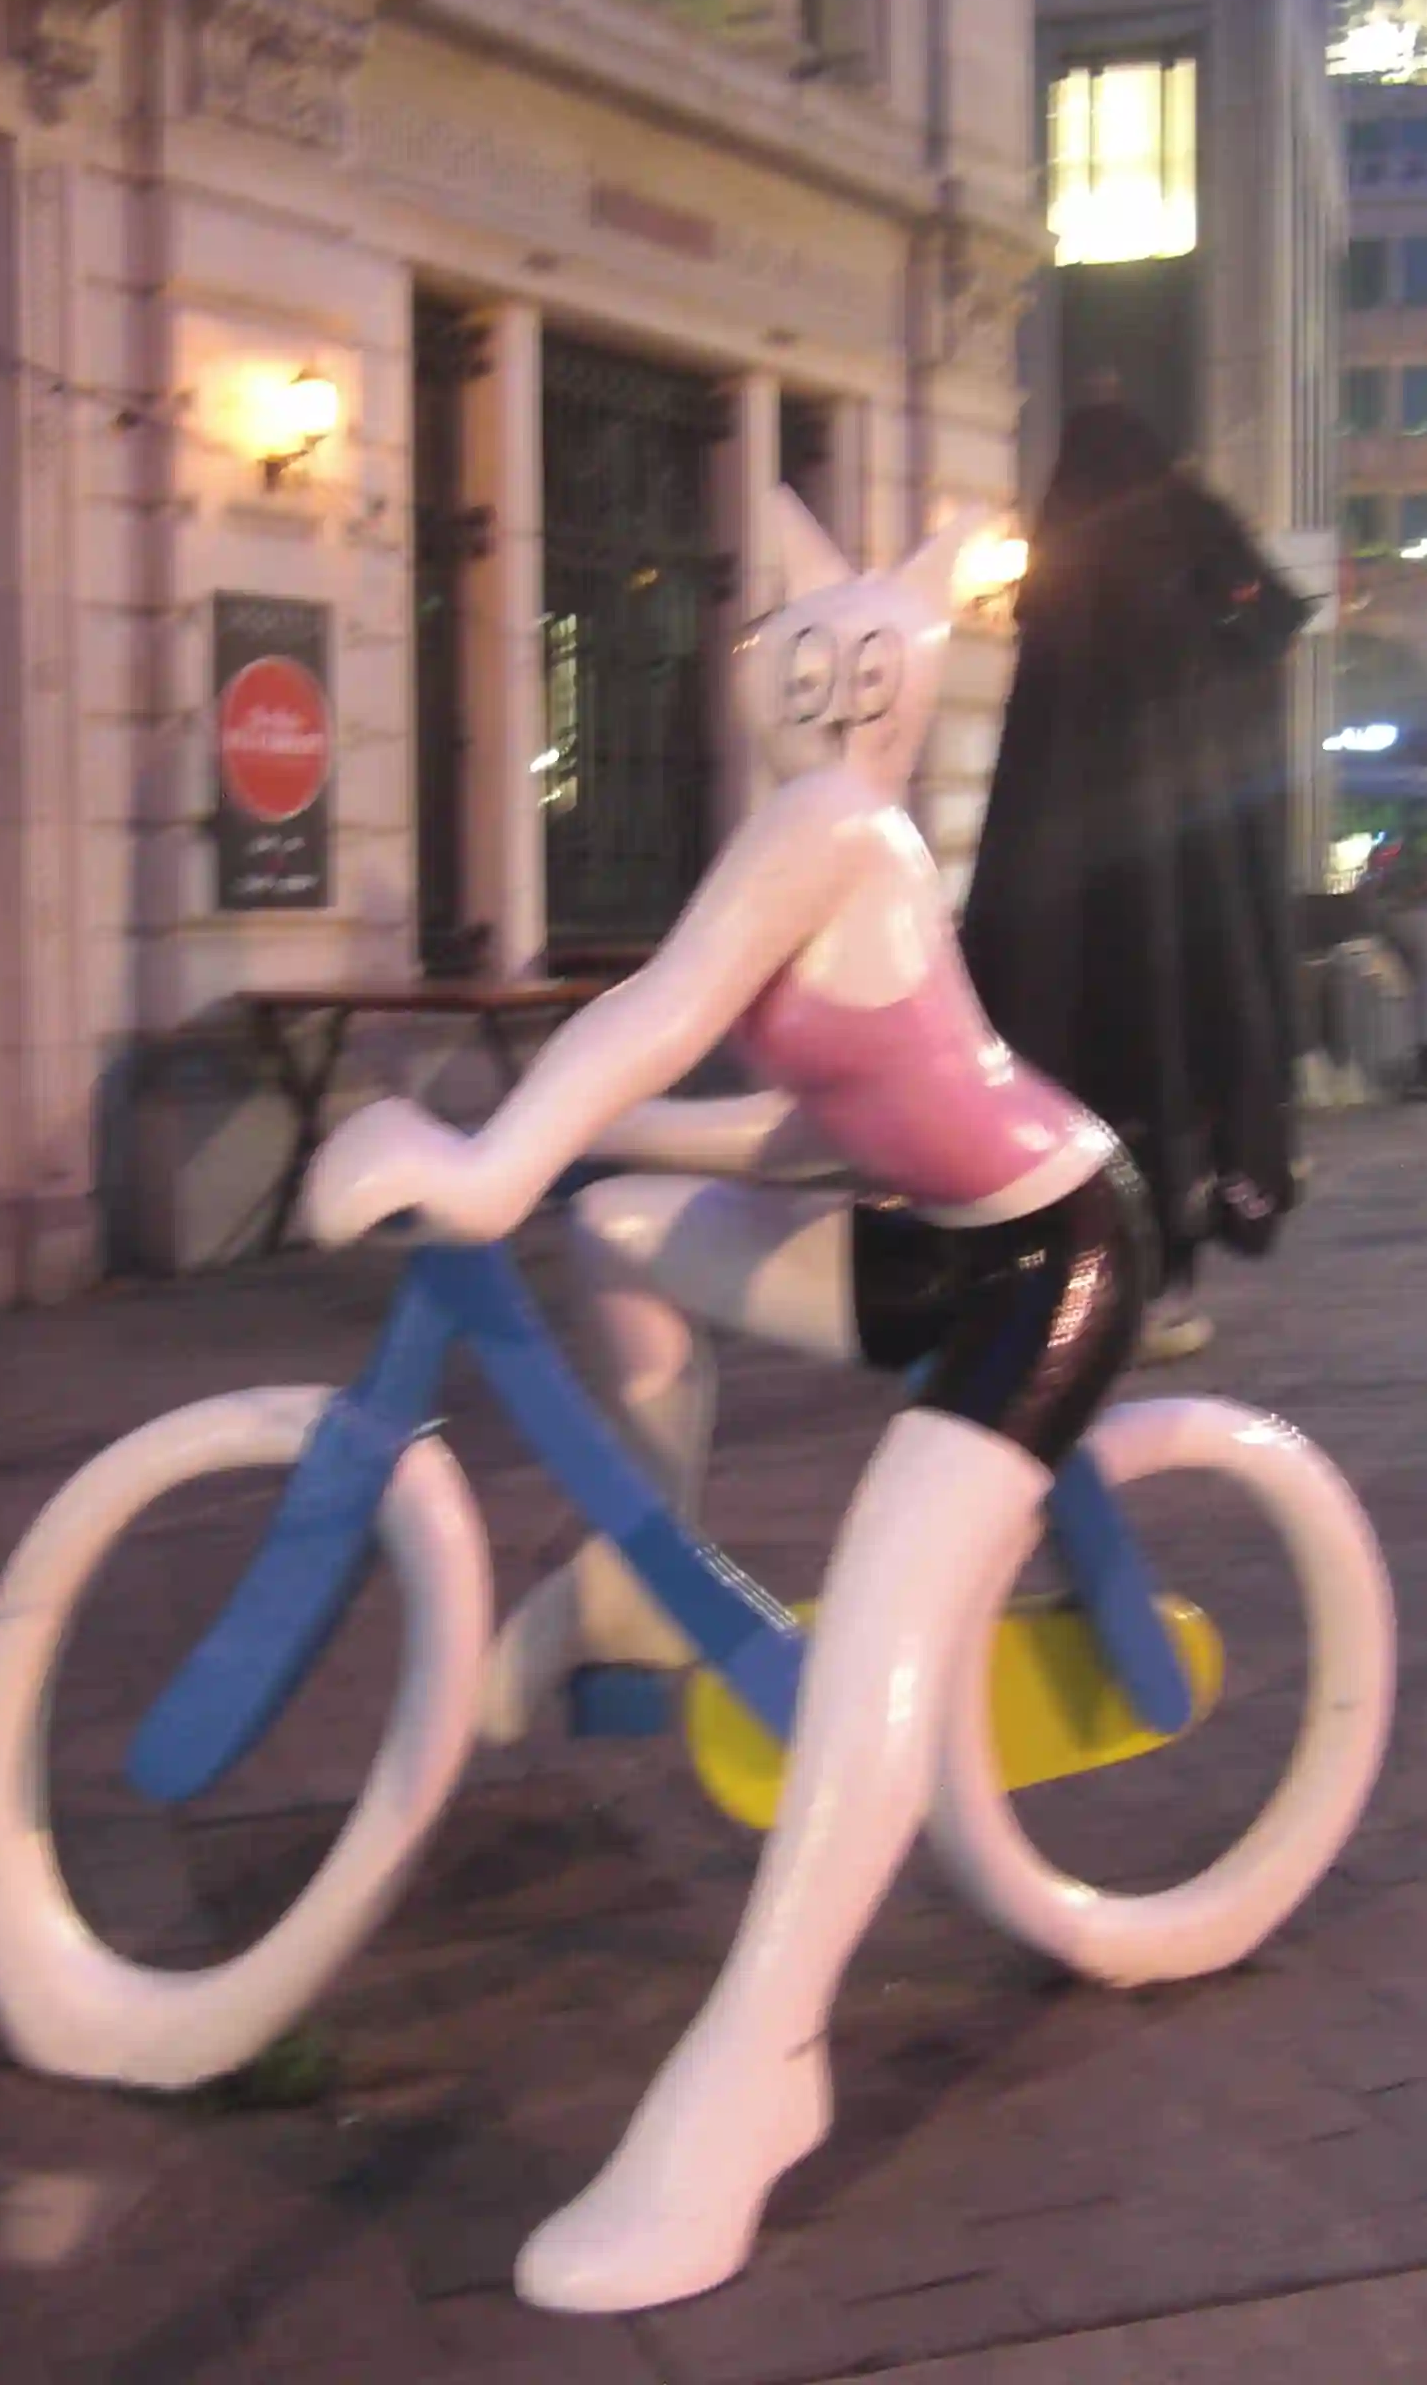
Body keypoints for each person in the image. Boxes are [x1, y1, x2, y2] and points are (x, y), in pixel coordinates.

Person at [303, 489, 1153, 2314]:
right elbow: (797, 1111)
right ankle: (638, 1570)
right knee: (617, 1226)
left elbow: (665, 1009)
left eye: (868, 669)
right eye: (805, 664)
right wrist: (571, 1149)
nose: (834, 697)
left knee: (879, 1631)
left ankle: (764, 2061)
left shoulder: (832, 829)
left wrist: (490, 1160)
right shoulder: (830, 841)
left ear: (909, 684)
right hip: (931, 1237)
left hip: (1053, 1251)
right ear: (761, 672)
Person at [956, 397, 1315, 1362]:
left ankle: (1054, 1279)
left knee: (1064, 1055)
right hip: (1191, 882)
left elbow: (1033, 771)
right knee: (1178, 1048)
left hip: (1064, 899)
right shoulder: (1200, 568)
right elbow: (1274, 621)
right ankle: (1161, 1282)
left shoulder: (1067, 587)